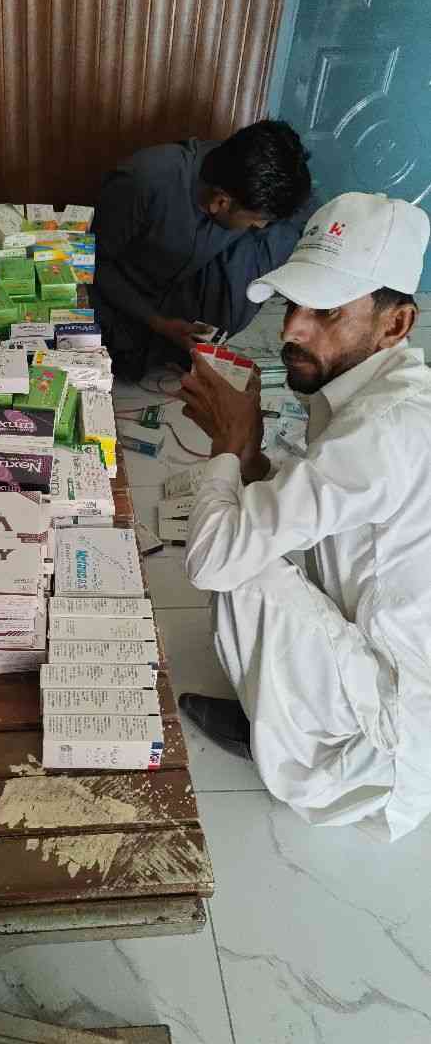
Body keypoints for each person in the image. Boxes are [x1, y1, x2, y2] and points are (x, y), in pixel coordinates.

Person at [177, 191, 431, 842]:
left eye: (327, 312)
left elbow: (212, 559)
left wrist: (230, 445)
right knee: (257, 516)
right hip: (381, 654)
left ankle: (303, 747)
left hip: (392, 738)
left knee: (240, 561)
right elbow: (313, 510)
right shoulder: (376, 392)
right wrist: (249, 457)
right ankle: (283, 715)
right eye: (295, 304)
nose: (292, 329)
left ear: (396, 324)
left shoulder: (383, 429)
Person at [92, 120, 312, 381]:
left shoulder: (245, 177)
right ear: (220, 202)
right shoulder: (143, 181)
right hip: (130, 292)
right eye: (256, 219)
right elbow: (95, 265)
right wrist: (157, 322)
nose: (259, 226)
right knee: (112, 348)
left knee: (285, 231)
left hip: (185, 282)